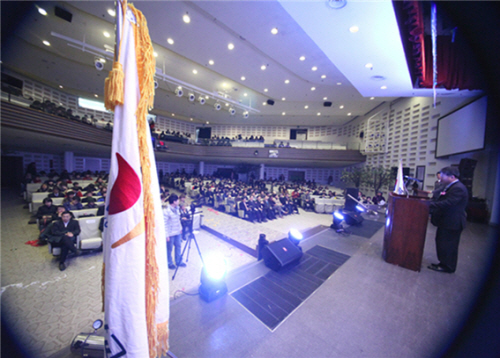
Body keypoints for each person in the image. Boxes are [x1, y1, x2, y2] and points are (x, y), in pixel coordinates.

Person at [428, 166, 468, 273]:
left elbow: (448, 203)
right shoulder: (450, 186)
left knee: (449, 245)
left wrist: (430, 205)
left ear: (452, 176)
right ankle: (443, 263)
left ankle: (447, 267)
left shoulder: (458, 188)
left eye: (443, 175)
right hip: (446, 221)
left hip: (452, 222)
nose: (440, 177)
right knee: (442, 243)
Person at [164, 194, 184, 269]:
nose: (179, 201)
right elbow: (165, 224)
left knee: (178, 246)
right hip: (170, 233)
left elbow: (178, 220)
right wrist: (166, 235)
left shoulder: (177, 209)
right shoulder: (166, 211)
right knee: (169, 249)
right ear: (174, 201)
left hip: (177, 232)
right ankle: (169, 263)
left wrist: (180, 228)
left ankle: (178, 261)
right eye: (177, 200)